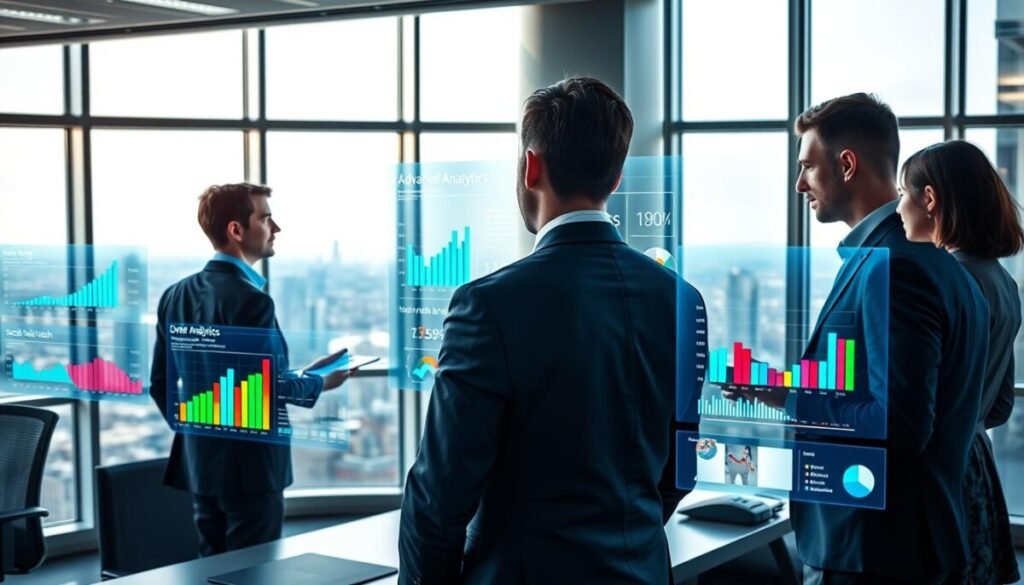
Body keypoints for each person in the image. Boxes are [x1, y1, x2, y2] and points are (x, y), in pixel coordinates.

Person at [398, 77, 706, 584]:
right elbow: (680, 472)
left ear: (530, 166)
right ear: (616, 178)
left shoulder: (488, 305)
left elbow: (439, 498)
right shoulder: (682, 299)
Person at [762, 93, 988, 584]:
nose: (800, 184)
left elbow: (899, 423)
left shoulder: (894, 268)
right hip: (901, 546)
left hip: (872, 553)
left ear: (847, 165)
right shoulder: (937, 265)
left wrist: (788, 398)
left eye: (807, 167)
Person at [150, 183, 350, 557]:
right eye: (266, 218)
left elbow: (161, 385)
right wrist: (320, 381)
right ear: (236, 230)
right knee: (254, 570)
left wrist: (199, 435)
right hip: (252, 470)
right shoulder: (251, 300)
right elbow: (267, 388)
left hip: (201, 465)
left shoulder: (175, 295)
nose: (276, 228)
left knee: (211, 567)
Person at [896, 140, 1024, 585]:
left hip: (938, 476)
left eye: (903, 194)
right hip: (977, 469)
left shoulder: (945, 281)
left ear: (929, 199)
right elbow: (1000, 407)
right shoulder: (1004, 283)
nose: (898, 208)